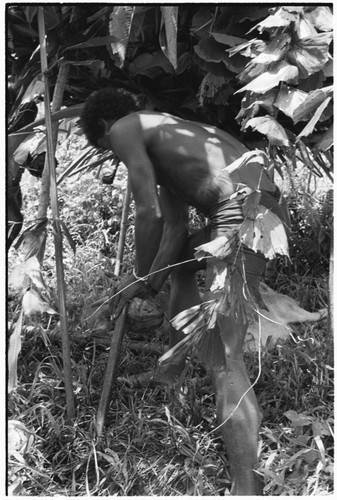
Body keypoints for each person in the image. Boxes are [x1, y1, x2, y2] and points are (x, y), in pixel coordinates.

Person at [81, 87, 290, 495]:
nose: (118, 157)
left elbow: (148, 212)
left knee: (225, 358)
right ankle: (169, 373)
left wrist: (139, 281)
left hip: (241, 211)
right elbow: (174, 229)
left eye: (109, 150)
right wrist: (149, 284)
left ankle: (246, 487)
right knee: (181, 268)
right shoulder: (172, 136)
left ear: (104, 128)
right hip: (255, 205)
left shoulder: (125, 127)